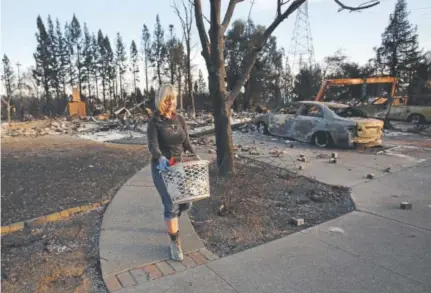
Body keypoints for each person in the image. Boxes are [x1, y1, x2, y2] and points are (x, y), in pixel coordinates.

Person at [147, 83, 199, 261]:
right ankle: (175, 242)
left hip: (178, 167)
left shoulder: (179, 119)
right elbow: (152, 145)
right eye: (167, 100)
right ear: (161, 100)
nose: (170, 103)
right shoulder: (155, 121)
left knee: (185, 204)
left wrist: (193, 153)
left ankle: (172, 221)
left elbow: (186, 141)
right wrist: (160, 157)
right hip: (162, 168)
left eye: (173, 99)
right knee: (171, 205)